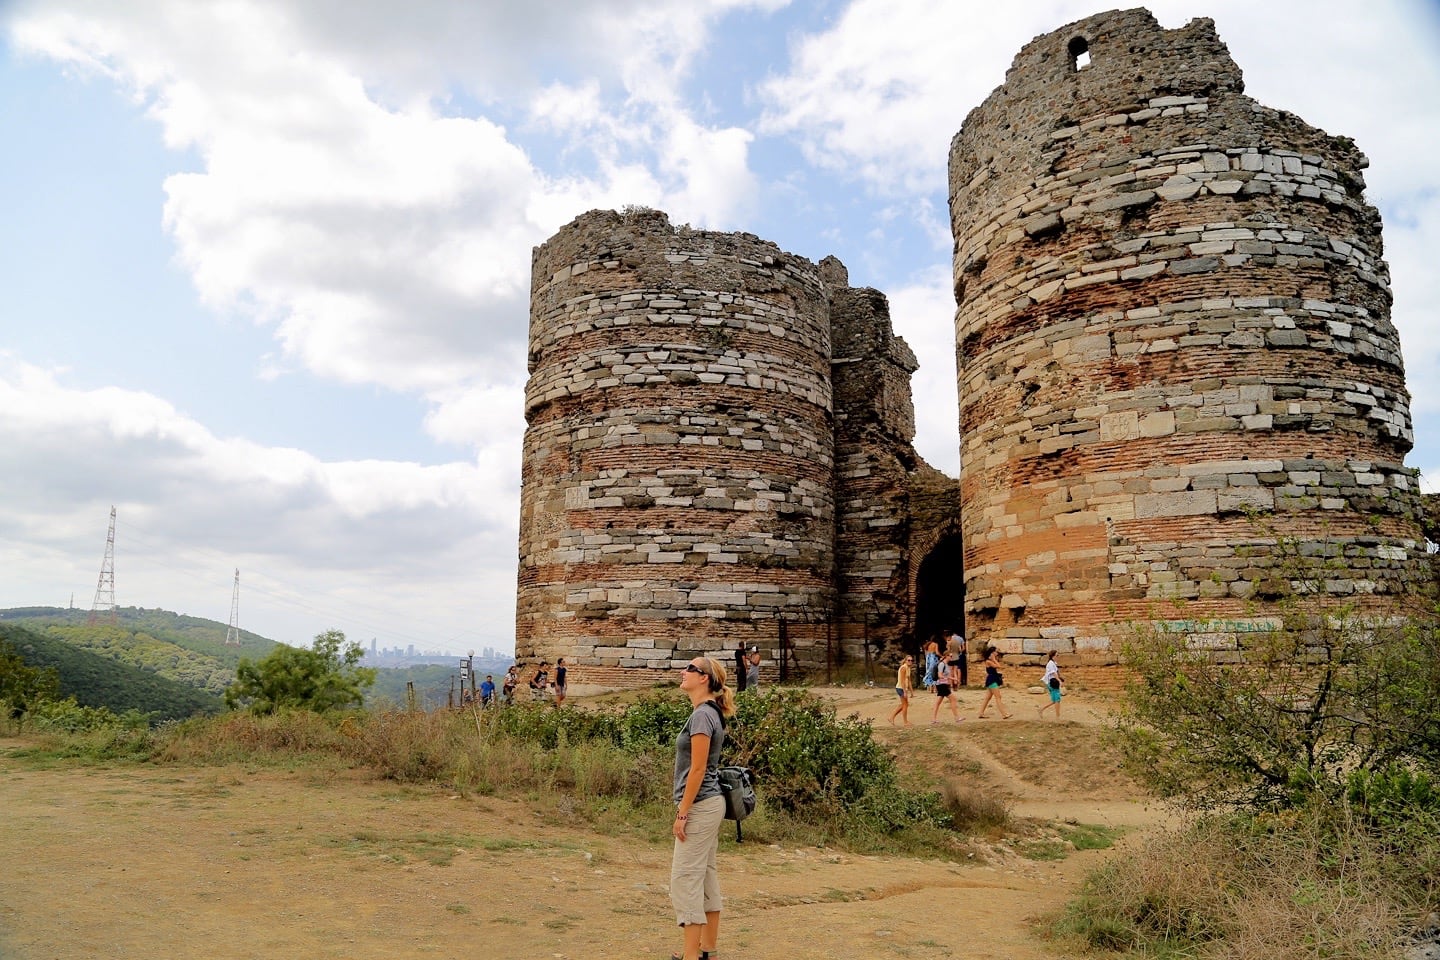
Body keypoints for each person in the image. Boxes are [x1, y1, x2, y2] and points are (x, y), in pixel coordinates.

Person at [669, 656, 735, 960]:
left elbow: (697, 770)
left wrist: (683, 812)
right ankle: (707, 949)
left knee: (685, 878)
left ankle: (690, 956)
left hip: (700, 804)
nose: (684, 672)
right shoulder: (709, 713)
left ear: (704, 678)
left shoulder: (701, 716)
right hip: (711, 803)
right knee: (706, 874)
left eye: (690, 669)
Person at [977, 647, 1013, 719]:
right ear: (992, 652)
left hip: (992, 679)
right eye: (996, 652)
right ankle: (1004, 714)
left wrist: (994, 659)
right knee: (998, 697)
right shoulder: (988, 661)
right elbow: (999, 666)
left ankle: (981, 713)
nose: (997, 653)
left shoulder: (990, 661)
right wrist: (994, 659)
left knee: (987, 698)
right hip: (992, 680)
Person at [931, 656, 964, 724]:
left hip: (943, 684)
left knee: (938, 702)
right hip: (941, 685)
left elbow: (946, 675)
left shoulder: (945, 664)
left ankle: (934, 719)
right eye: (950, 656)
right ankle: (957, 718)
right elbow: (940, 675)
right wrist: (951, 679)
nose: (951, 657)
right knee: (953, 699)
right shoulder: (942, 664)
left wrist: (953, 679)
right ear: (946, 656)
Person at [888, 655, 914, 725]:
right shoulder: (903, 668)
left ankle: (891, 717)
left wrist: (911, 691)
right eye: (909, 660)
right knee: (905, 705)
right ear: (905, 661)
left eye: (911, 660)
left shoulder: (908, 668)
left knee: (904, 704)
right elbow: (902, 681)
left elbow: (909, 681)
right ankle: (905, 722)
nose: (910, 662)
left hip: (903, 688)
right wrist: (905, 692)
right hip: (900, 688)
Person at [1038, 650, 1063, 719]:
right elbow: (1054, 673)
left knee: (1054, 700)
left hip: (1051, 682)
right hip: (1052, 683)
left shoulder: (1053, 663)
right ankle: (1058, 717)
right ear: (1053, 656)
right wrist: (1059, 681)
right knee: (1057, 700)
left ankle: (1041, 709)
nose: (1058, 657)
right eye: (1057, 655)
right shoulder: (1051, 663)